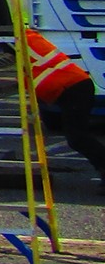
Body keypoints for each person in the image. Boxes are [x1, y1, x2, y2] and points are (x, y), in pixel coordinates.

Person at [26, 29, 105, 191]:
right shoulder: (20, 39)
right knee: (77, 136)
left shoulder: (19, 40)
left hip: (73, 88)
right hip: (71, 88)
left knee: (77, 137)